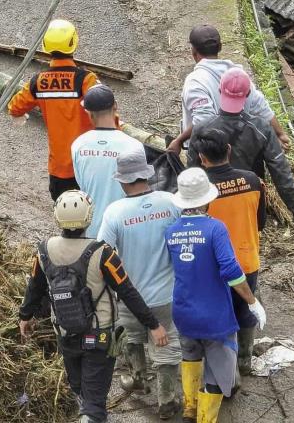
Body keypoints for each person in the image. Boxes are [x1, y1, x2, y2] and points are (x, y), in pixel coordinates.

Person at [18, 190, 169, 423]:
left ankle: (86, 412)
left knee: (79, 389)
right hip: (99, 337)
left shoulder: (43, 251)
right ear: (88, 218)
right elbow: (127, 291)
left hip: (66, 334)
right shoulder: (103, 253)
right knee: (95, 402)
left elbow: (35, 288)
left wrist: (25, 317)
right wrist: (153, 325)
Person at [165, 168, 266, 423]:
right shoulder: (215, 229)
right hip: (214, 316)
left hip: (183, 312)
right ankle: (204, 419)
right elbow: (231, 270)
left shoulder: (171, 231)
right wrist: (252, 301)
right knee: (218, 371)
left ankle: (189, 409)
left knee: (190, 356)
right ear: (207, 199)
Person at [97, 147, 183, 419]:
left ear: (122, 180)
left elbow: (104, 254)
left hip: (131, 295)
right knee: (167, 346)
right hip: (168, 294)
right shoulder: (171, 202)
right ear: (148, 174)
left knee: (132, 335)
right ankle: (167, 399)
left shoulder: (115, 212)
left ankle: (138, 378)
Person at [190, 128, 265, 377]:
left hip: (212, 264)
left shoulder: (201, 190)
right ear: (229, 150)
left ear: (202, 157)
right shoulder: (253, 180)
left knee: (219, 313)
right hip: (246, 258)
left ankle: (222, 368)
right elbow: (260, 221)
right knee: (246, 309)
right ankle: (245, 359)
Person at [188, 67, 294, 222]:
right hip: (250, 204)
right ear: (248, 93)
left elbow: (192, 171)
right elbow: (280, 171)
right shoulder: (262, 128)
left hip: (213, 204)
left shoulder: (201, 128)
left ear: (219, 89)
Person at [8, 19, 100, 202]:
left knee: (66, 217)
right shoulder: (86, 80)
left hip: (59, 169)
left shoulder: (39, 81)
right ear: (74, 43)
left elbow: (15, 107)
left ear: (45, 46)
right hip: (89, 164)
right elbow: (106, 110)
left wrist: (19, 115)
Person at [166, 24, 289, 154]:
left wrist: (179, 140)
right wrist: (280, 134)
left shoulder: (195, 81)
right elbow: (260, 106)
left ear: (193, 51)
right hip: (242, 150)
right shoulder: (237, 74)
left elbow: (203, 121)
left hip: (210, 156)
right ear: (220, 47)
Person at [72, 85, 143, 238]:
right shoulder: (134, 145)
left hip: (92, 231)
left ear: (88, 112)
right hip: (127, 229)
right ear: (115, 106)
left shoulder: (78, 145)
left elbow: (82, 185)